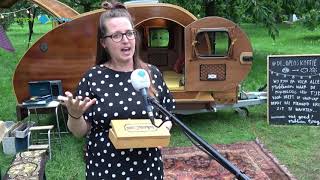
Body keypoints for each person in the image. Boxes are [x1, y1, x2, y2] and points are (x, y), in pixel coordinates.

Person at [58, 1, 175, 179]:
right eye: (117, 35)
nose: (126, 40)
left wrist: (164, 129)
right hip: (106, 169)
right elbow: (79, 131)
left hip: (148, 170)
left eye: (129, 33)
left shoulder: (151, 73)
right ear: (104, 43)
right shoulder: (93, 77)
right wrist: (75, 115)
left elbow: (167, 116)